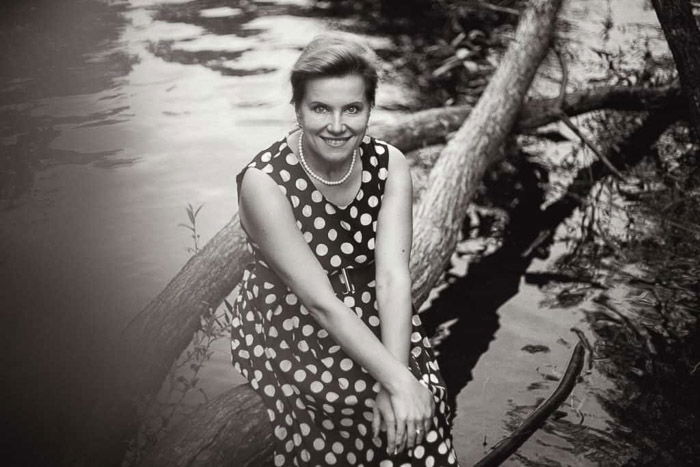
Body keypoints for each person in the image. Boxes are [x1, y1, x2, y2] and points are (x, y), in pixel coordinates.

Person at [231, 32, 459, 466]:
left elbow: (392, 276)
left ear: (370, 108)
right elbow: (319, 302)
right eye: (320, 108)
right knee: (359, 414)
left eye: (352, 108)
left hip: (371, 304)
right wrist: (396, 382)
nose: (337, 126)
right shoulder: (265, 183)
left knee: (426, 403)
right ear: (297, 108)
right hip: (294, 321)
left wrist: (400, 378)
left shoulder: (389, 162)